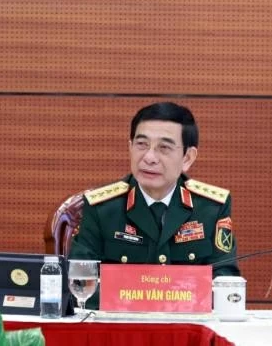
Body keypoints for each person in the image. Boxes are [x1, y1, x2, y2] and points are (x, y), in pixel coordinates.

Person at [68, 102, 239, 305]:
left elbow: (225, 282)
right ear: (130, 147)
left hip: (186, 321)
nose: (149, 158)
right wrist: (142, 301)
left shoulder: (211, 208)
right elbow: (79, 284)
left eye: (164, 148)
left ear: (187, 158)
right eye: (141, 144)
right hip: (122, 321)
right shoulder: (102, 208)